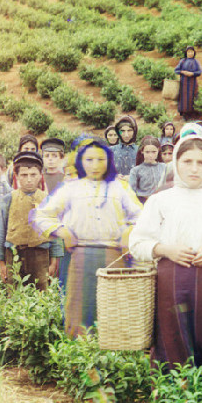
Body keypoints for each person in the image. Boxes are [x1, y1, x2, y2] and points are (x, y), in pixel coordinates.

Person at [129, 136, 202, 371]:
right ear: (176, 163)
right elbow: (137, 242)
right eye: (187, 161)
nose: (194, 168)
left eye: (201, 163)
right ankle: (173, 393)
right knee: (172, 334)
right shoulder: (160, 200)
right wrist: (166, 250)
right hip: (170, 279)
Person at [32, 139, 142, 337]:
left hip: (114, 257)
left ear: (109, 161)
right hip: (79, 256)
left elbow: (141, 216)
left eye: (101, 159)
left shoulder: (120, 188)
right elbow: (41, 215)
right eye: (89, 159)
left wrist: (128, 233)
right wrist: (62, 231)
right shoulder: (71, 188)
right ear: (80, 161)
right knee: (78, 308)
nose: (95, 165)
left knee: (111, 309)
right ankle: (79, 359)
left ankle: (110, 359)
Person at [0, 151, 61, 291]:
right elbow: (0, 232)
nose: (29, 179)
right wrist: (2, 263)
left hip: (40, 257)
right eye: (24, 175)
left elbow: (55, 235)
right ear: (16, 176)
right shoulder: (8, 200)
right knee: (14, 294)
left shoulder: (48, 201)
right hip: (14, 256)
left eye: (33, 175)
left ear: (40, 176)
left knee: (41, 294)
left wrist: (54, 261)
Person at [129, 137, 166, 203]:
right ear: (142, 151)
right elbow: (132, 192)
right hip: (143, 203)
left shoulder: (164, 167)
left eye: (154, 152)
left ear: (158, 150)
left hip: (162, 202)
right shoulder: (136, 171)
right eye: (147, 152)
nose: (150, 155)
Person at [175, 46, 202, 118]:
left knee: (192, 96)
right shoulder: (182, 61)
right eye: (188, 52)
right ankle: (183, 113)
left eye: (191, 52)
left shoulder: (196, 62)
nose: (190, 53)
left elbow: (199, 72)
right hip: (183, 82)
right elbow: (176, 70)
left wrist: (192, 74)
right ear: (186, 53)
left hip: (192, 83)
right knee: (183, 97)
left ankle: (192, 113)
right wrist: (183, 72)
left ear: (194, 53)